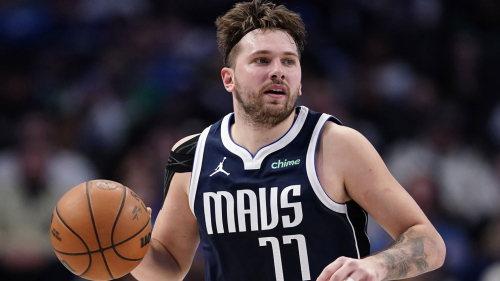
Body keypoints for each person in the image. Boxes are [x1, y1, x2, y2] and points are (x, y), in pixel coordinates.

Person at [131, 1, 446, 280]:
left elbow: (428, 242)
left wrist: (378, 265)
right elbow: (169, 266)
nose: (278, 71)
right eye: (262, 60)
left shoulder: (337, 144)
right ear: (228, 79)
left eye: (289, 61)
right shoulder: (192, 155)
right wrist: (127, 247)